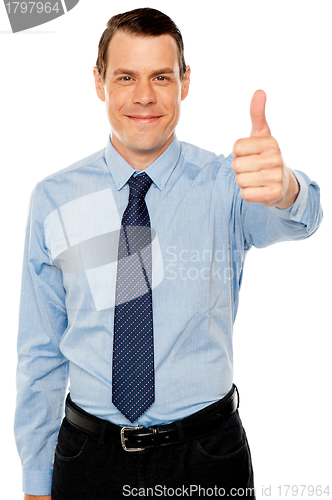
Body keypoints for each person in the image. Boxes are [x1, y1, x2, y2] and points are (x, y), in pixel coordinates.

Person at [14, 7, 322, 500]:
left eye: (161, 76)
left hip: (206, 456)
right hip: (87, 459)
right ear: (99, 83)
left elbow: (297, 220)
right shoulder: (54, 197)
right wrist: (34, 477)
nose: (144, 96)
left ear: (185, 81)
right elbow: (41, 349)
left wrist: (286, 187)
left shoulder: (228, 184)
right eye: (125, 77)